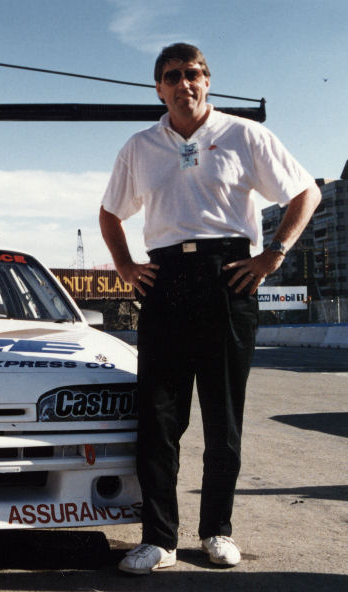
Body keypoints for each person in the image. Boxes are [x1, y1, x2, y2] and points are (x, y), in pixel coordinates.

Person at [99, 43, 320, 575]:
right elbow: (110, 213)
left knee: (222, 418)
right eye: (171, 76)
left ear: (207, 81)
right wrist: (127, 266)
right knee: (157, 417)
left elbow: (305, 193)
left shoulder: (244, 134)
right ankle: (159, 539)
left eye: (192, 74)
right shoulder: (140, 145)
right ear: (158, 88)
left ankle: (217, 530)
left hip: (228, 278)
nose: (183, 84)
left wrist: (273, 254)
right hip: (165, 280)